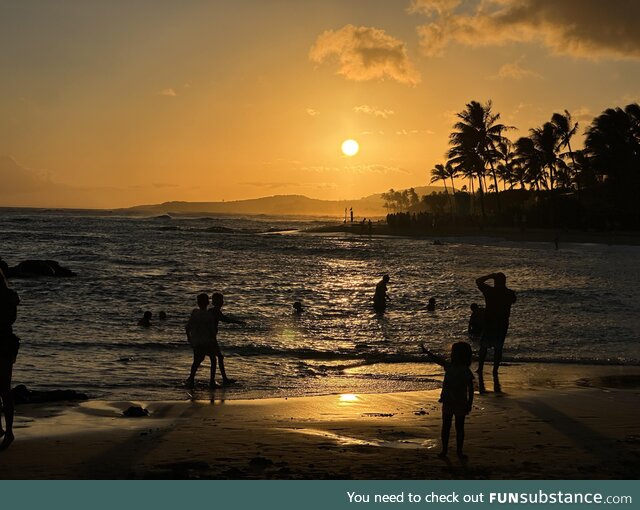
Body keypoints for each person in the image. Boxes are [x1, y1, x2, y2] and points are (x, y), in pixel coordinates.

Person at [421, 342, 474, 459]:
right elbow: (437, 360)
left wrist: (469, 403)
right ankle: (445, 450)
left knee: (457, 427)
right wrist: (427, 352)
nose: (451, 355)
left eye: (454, 353)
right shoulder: (451, 366)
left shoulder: (464, 370)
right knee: (447, 426)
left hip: (459, 402)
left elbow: (471, 388)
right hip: (449, 401)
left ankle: (457, 451)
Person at [475, 273, 516, 393]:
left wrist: (490, 275)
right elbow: (513, 301)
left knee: (484, 346)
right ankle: (495, 370)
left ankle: (480, 368)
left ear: (495, 281)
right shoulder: (509, 293)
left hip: (490, 322)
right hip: (502, 324)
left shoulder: (490, 291)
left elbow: (478, 280)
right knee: (498, 347)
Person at [0, 269, 19, 451]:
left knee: (4, 390)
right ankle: (5, 430)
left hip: (3, 346)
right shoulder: (10, 297)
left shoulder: (6, 299)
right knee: (4, 390)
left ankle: (9, 432)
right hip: (7, 345)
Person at [208, 292, 244, 387]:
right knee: (217, 358)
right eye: (220, 300)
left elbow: (223, 318)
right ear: (215, 302)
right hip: (210, 339)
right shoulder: (214, 311)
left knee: (204, 359)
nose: (222, 302)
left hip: (210, 338)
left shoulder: (213, 311)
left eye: (222, 300)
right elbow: (225, 319)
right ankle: (215, 381)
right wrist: (238, 322)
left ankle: (222, 379)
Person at [185, 293, 219, 388]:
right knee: (213, 359)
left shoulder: (195, 312)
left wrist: (189, 337)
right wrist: (214, 339)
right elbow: (212, 330)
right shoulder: (209, 315)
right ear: (208, 303)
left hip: (196, 340)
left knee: (197, 360)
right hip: (206, 341)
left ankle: (191, 379)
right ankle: (212, 381)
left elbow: (188, 326)